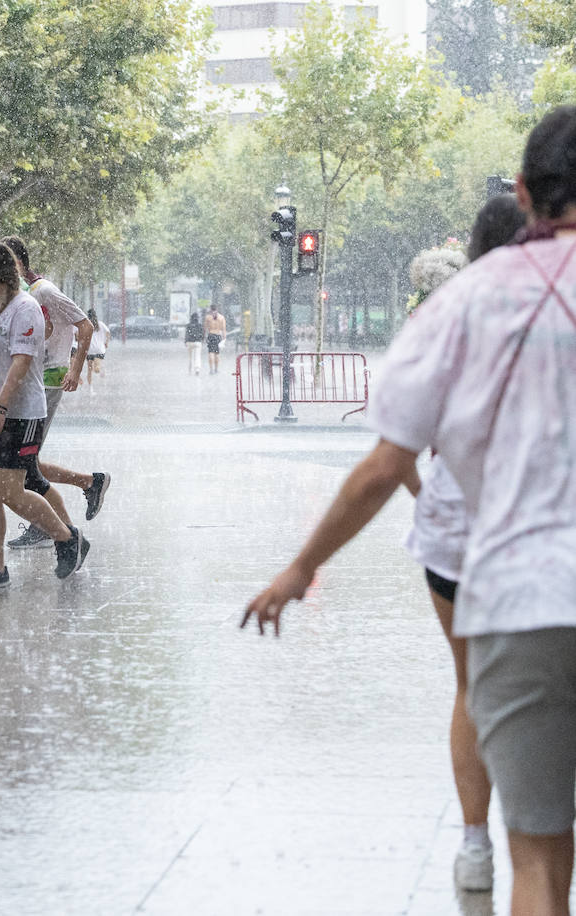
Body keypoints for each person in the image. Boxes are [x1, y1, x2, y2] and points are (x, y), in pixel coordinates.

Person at [244, 106, 576, 916]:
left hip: (515, 599)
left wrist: (301, 566)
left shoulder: (463, 304)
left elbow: (385, 464)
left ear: (525, 191)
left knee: (535, 855)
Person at [402, 193, 528, 893]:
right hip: (539, 531)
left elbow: (395, 454)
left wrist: (438, 503)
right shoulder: (555, 312)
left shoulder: (445, 322)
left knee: (471, 685)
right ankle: (543, 826)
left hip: (454, 533)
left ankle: (476, 844)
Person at [0, 242, 88, 589]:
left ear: (1, 272)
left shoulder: (26, 308)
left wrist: (2, 408)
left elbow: (20, 363)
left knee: (11, 491)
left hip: (19, 412)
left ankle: (66, 537)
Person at [0, 236, 110, 552]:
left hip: (46, 384)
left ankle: (59, 527)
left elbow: (85, 326)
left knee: (23, 462)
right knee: (24, 461)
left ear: (18, 263)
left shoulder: (45, 291)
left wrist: (75, 370)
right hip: (29, 383)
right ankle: (85, 488)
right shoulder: (21, 295)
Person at [84, 307, 110, 391]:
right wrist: (106, 342)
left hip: (91, 350)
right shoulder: (100, 324)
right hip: (97, 349)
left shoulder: (87, 324)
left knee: (91, 369)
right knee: (94, 369)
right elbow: (108, 332)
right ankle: (101, 369)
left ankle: (90, 388)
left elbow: (81, 336)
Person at [203, 304, 226, 374]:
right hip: (218, 335)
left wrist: (204, 337)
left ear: (210, 309)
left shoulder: (208, 317)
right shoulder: (221, 317)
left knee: (211, 352)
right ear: (217, 309)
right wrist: (224, 338)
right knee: (217, 353)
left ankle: (211, 369)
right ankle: (216, 369)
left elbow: (205, 328)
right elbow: (223, 329)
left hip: (211, 335)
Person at [184, 309, 204, 374]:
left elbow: (186, 334)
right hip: (197, 342)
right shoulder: (200, 325)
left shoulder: (188, 325)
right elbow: (202, 334)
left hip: (189, 342)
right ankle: (197, 369)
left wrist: (185, 341)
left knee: (190, 357)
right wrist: (202, 340)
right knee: (197, 356)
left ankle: (190, 370)